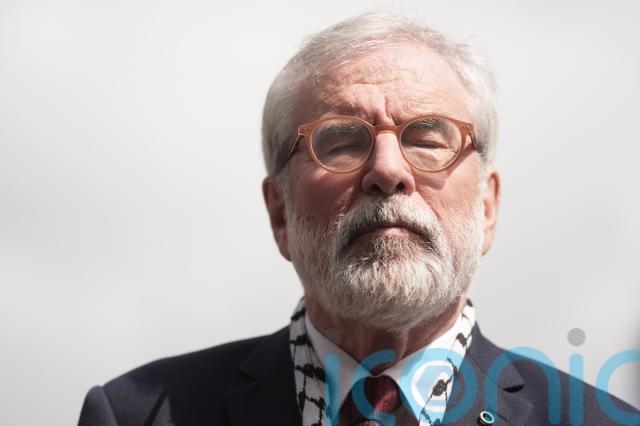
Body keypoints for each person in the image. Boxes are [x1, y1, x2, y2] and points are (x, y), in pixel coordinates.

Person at [78, 12, 639, 426]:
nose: (388, 170)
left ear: (487, 207)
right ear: (280, 212)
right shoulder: (137, 415)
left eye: (427, 139)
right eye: (342, 142)